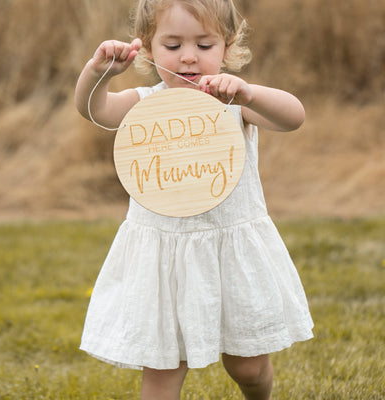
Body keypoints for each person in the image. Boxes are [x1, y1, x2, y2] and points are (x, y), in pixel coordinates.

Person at [75, 0, 313, 399]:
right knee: (163, 369)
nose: (189, 57)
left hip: (230, 253)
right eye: (173, 46)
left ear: (227, 44)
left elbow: (294, 117)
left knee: (249, 367)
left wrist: (248, 94)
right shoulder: (144, 103)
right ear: (148, 48)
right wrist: (97, 73)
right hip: (165, 260)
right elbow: (94, 110)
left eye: (204, 46)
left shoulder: (234, 103)